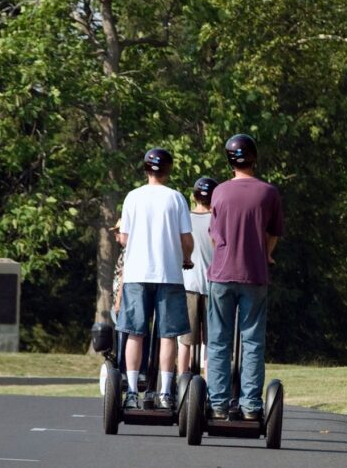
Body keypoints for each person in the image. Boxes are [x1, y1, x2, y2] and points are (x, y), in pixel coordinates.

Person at [206, 134, 283, 420]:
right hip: (254, 275)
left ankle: (218, 402)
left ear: (229, 161)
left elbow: (214, 237)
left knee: (218, 341)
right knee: (252, 341)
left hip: (222, 274)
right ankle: (251, 405)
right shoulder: (268, 193)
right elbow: (274, 233)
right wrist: (266, 253)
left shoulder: (220, 193)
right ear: (254, 157)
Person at [116, 148, 194, 410]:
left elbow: (124, 237)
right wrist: (187, 257)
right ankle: (165, 391)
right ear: (168, 170)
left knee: (135, 333)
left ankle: (131, 391)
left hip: (137, 273)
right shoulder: (176, 198)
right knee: (167, 335)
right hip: (169, 274)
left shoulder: (132, 197)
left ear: (146, 169)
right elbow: (186, 239)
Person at [178, 176, 218, 376]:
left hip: (189, 285)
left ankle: (180, 382)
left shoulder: (185, 219)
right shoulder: (218, 220)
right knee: (211, 343)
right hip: (213, 286)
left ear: (194, 196)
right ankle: (211, 387)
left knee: (185, 341)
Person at [111, 218, 148, 381]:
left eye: (118, 231)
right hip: (126, 300)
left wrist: (119, 301)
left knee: (126, 336)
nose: (116, 235)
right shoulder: (128, 251)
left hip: (126, 302)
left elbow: (123, 278)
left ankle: (125, 371)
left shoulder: (130, 252)